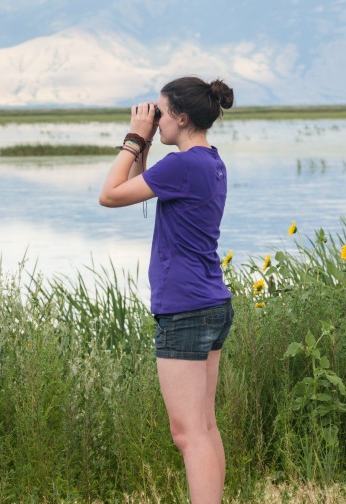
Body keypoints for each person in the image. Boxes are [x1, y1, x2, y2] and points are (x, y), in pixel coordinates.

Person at [99, 76, 235, 504]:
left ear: (180, 116)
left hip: (185, 309)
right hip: (211, 301)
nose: (154, 119)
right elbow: (142, 189)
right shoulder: (209, 160)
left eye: (160, 112)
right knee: (205, 425)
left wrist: (133, 138)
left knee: (187, 433)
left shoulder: (182, 166)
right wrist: (148, 146)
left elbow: (110, 195)